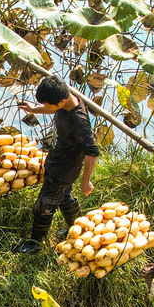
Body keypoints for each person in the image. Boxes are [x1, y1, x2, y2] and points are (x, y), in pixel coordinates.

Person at [14, 75, 101, 254]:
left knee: (42, 207)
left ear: (61, 101)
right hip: (57, 160)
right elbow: (54, 109)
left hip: (63, 170)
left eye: (48, 104)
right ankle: (79, 229)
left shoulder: (79, 120)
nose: (46, 107)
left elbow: (92, 151)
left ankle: (34, 244)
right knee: (64, 198)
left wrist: (86, 181)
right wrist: (34, 109)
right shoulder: (67, 98)